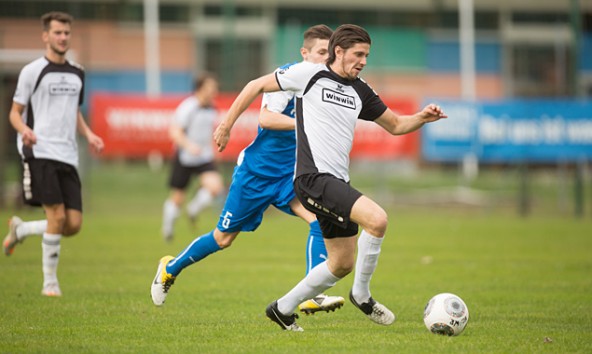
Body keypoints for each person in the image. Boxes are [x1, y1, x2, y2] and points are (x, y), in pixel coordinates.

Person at [213, 24, 448, 331]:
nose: (363, 60)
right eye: (358, 54)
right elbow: (254, 86)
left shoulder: (361, 89)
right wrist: (226, 125)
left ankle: (282, 309)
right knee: (377, 220)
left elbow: (395, 124)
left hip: (336, 182)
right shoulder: (308, 74)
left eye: (367, 55)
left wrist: (421, 117)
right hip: (312, 179)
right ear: (339, 52)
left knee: (341, 263)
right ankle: (362, 296)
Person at [151, 24, 345, 314]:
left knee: (318, 220)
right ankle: (170, 268)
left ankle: (311, 294)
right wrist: (228, 125)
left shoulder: (324, 84)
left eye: (329, 54)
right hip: (256, 174)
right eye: (319, 52)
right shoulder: (290, 77)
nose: (324, 59)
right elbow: (266, 119)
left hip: (288, 176)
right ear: (304, 53)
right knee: (223, 239)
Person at [2, 11, 104, 297]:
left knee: (73, 224)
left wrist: (90, 134)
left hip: (68, 155)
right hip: (40, 151)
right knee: (56, 217)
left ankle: (20, 231)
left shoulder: (77, 72)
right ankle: (50, 283)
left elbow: (73, 113)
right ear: (45, 36)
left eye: (66, 33)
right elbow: (14, 113)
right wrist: (24, 129)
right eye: (57, 32)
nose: (63, 37)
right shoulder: (32, 71)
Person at [161, 73, 225, 242]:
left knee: (216, 186)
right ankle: (168, 228)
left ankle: (193, 209)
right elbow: (174, 132)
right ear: (200, 89)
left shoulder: (212, 108)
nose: (214, 91)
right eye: (211, 87)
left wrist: (213, 151)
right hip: (185, 157)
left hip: (204, 157)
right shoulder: (188, 107)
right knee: (177, 198)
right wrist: (189, 146)